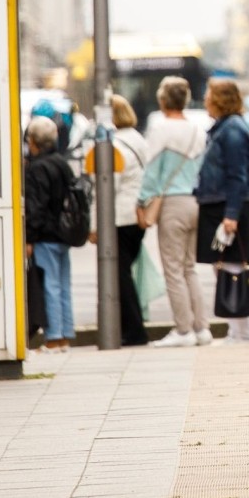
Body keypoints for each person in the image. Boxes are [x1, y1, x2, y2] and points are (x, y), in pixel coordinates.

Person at [138, 76, 211, 348]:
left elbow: (151, 173)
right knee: (189, 268)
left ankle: (183, 330)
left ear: (163, 100)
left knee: (173, 269)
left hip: (172, 204)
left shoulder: (160, 129)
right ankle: (202, 328)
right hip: (195, 202)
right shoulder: (196, 130)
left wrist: (142, 201)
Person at [195, 78, 249, 343]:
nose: (205, 101)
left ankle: (246, 330)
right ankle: (240, 328)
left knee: (233, 266)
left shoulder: (231, 130)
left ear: (219, 100)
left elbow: (237, 176)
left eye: (209, 96)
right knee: (228, 266)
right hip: (222, 203)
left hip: (230, 204)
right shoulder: (224, 127)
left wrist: (231, 215)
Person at [90, 94, 151, 347]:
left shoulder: (112, 145)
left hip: (119, 219)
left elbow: (106, 188)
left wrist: (94, 226)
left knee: (119, 276)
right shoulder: (138, 139)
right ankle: (130, 329)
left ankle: (134, 331)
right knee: (123, 274)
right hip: (136, 216)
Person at [24, 115, 77, 352]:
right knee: (63, 284)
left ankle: (53, 337)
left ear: (34, 141)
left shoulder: (36, 168)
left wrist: (30, 237)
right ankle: (65, 334)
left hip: (45, 234)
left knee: (50, 285)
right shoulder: (62, 163)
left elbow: (35, 206)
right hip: (65, 233)